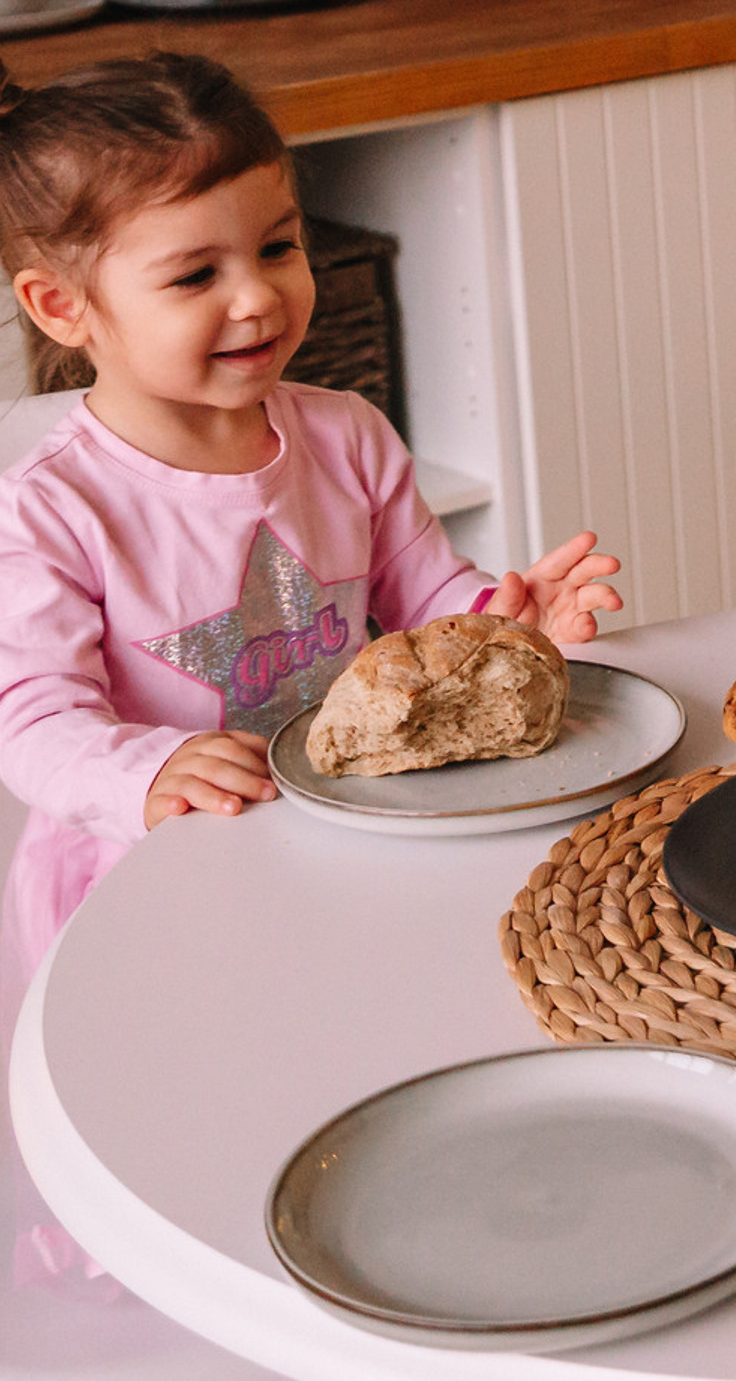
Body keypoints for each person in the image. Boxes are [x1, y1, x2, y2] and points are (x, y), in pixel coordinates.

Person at [0, 53, 622, 1089]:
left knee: (336, 1059)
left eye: (277, 246)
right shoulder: (52, 507)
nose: (257, 297)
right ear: (62, 308)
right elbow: (31, 723)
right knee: (189, 1093)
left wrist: (504, 621)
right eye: (196, 275)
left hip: (335, 834)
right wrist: (148, 772)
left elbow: (424, 597)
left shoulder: (347, 434)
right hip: (153, 882)